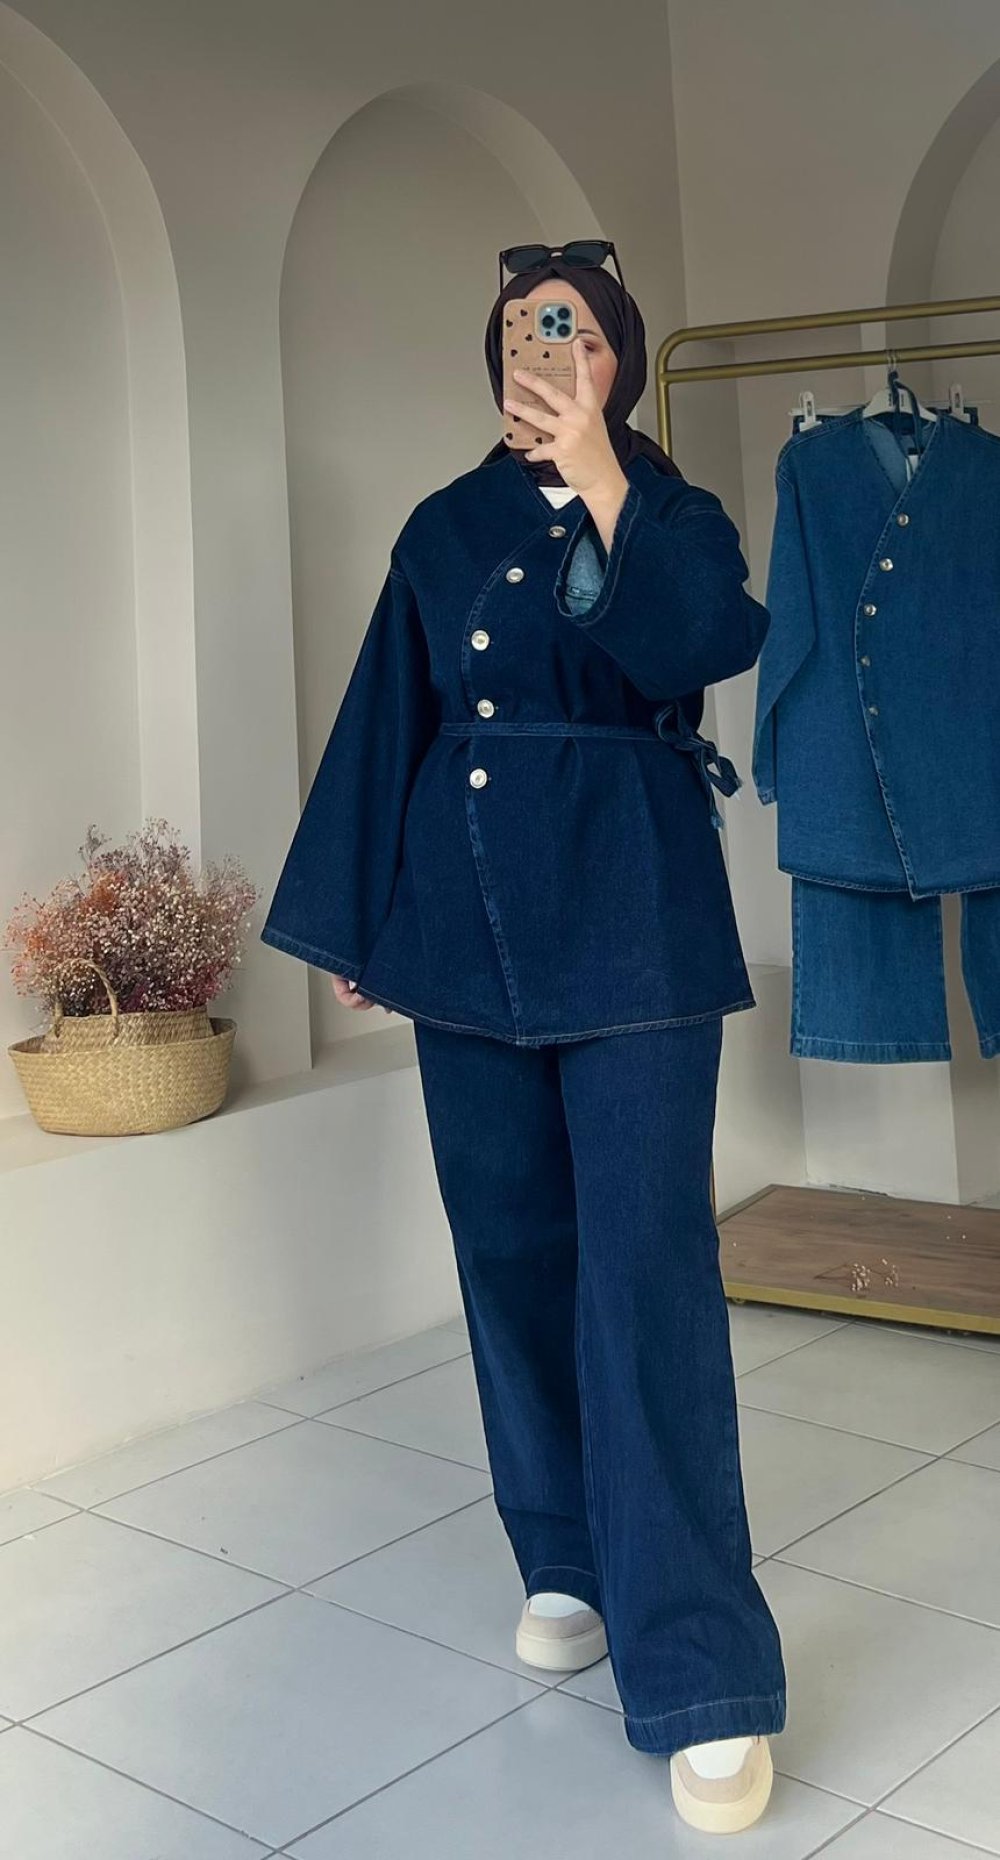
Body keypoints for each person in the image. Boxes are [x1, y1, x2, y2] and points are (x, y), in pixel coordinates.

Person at [260, 240, 786, 1835]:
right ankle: (562, 1553)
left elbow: (701, 639)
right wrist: (363, 919)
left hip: (633, 919)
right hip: (466, 928)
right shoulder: (443, 526)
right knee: (507, 1250)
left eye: (567, 329)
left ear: (616, 354)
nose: (536, 351)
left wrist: (602, 471)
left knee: (644, 1270)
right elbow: (389, 718)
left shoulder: (673, 513)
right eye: (514, 330)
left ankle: (701, 1668)